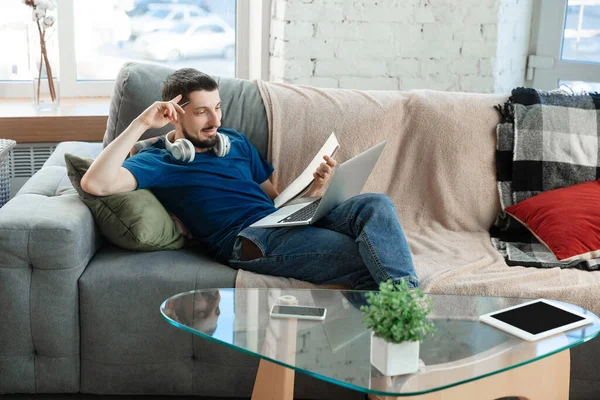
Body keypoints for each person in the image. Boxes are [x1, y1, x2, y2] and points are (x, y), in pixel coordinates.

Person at [81, 68, 418, 291]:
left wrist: (315, 192)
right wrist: (142, 122)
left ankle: (407, 306)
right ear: (175, 115)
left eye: (218, 108)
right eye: (202, 112)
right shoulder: (161, 160)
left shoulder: (235, 142)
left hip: (281, 221)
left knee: (375, 204)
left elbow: (274, 199)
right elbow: (96, 184)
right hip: (250, 241)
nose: (215, 120)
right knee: (367, 259)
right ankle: (410, 317)